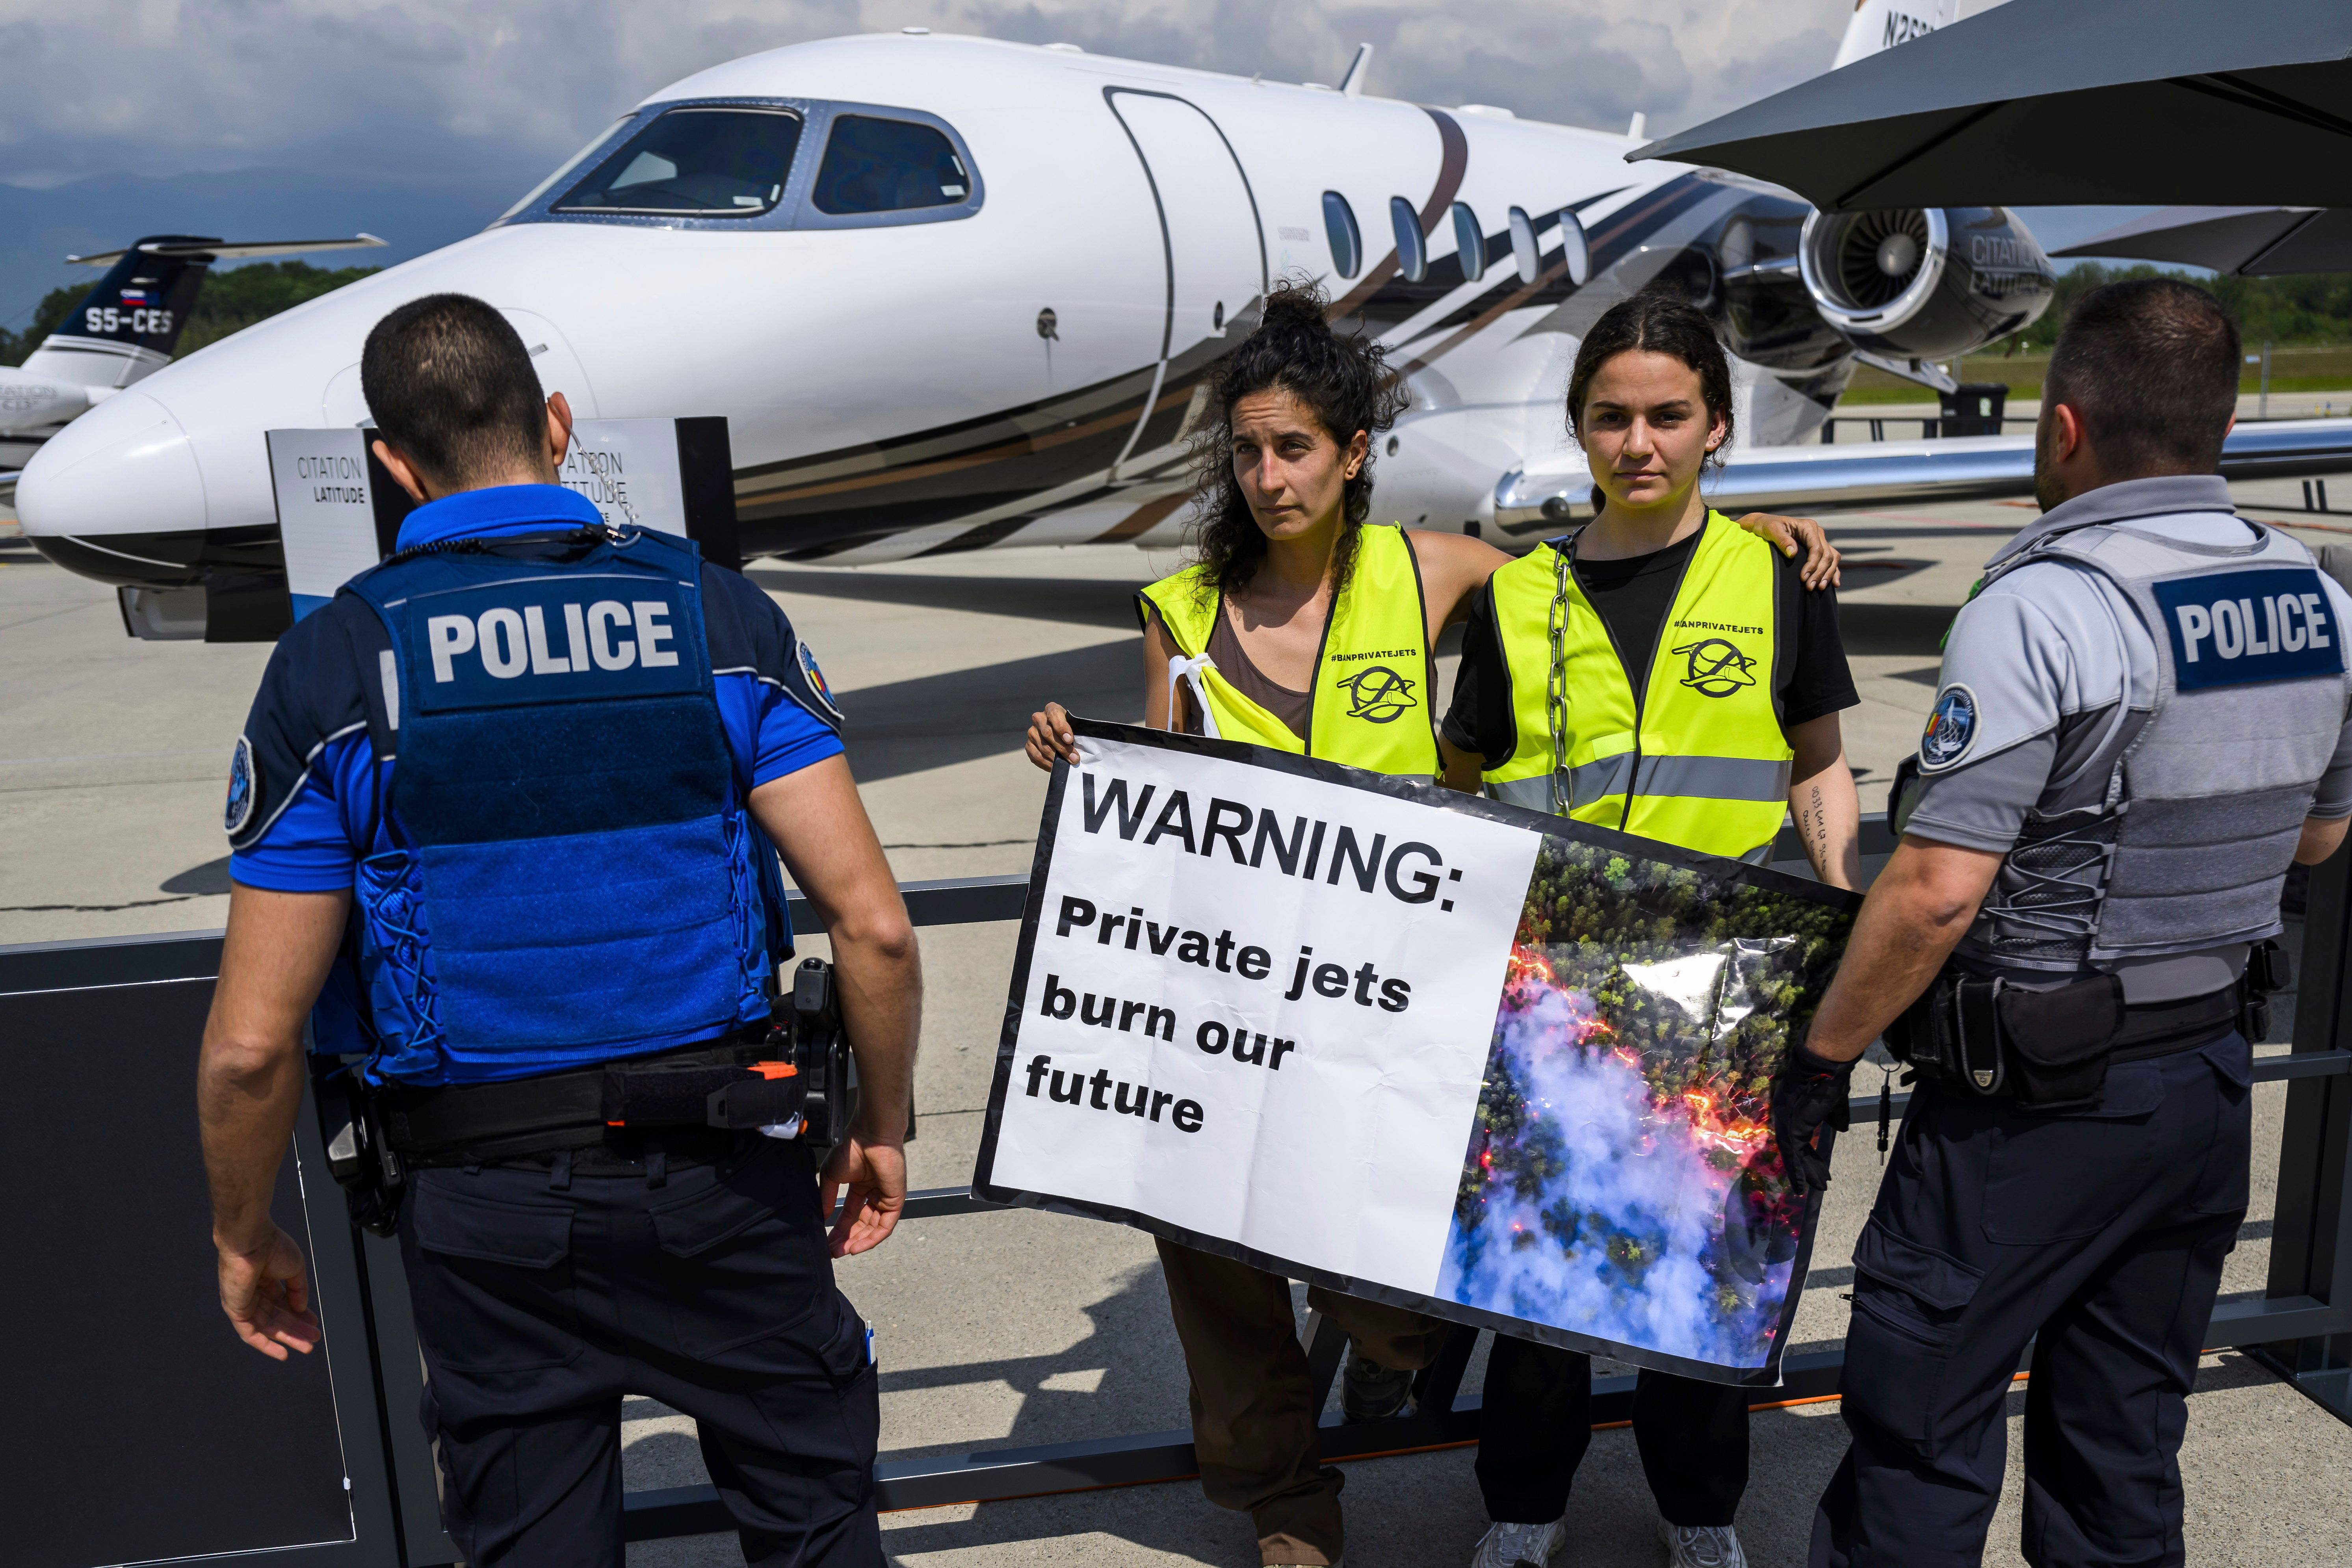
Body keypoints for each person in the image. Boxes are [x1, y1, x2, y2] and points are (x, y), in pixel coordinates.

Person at [1023, 279, 1839, 1568]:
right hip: (1233, 1000)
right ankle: (1286, 1507)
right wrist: (1081, 753)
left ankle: (1398, 1345)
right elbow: (1156, 798)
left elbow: (1599, 584)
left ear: (1354, 455)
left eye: (1293, 447)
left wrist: (1754, 538)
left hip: (1393, 1006)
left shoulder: (1436, 571)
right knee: (1220, 1271)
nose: (1266, 475)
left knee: (1396, 1270)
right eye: (1244, 450)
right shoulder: (1179, 611)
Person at [195, 294, 920, 1568]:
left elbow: (253, 1048)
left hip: (487, 1217)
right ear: (560, 424)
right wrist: (880, 1127)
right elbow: (873, 929)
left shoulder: (334, 663)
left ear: (391, 463)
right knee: (818, 1535)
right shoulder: (717, 615)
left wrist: (244, 1233)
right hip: (725, 1176)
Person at [1781, 278, 2352, 1567]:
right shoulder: (2314, 596)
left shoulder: (2042, 602)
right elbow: (2319, 835)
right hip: (2205, 1086)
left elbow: (1933, 888)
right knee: (2121, 1446)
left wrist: (1819, 1060)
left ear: (2063, 428)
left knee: (1920, 1439)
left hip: (2026, 1112)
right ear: (2216, 426)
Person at [1438, 291, 1862, 1568]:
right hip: (1557, 985)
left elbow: (1819, 763)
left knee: (1704, 1259)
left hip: (1728, 980)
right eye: (1611, 417)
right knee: (1535, 1271)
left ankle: (1699, 1514)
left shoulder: (1777, 575)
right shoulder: (1519, 598)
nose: (1638, 442)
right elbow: (1460, 784)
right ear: (1576, 430)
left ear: (1716, 425)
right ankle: (1521, 1510)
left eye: (1666, 416)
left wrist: (1839, 908)